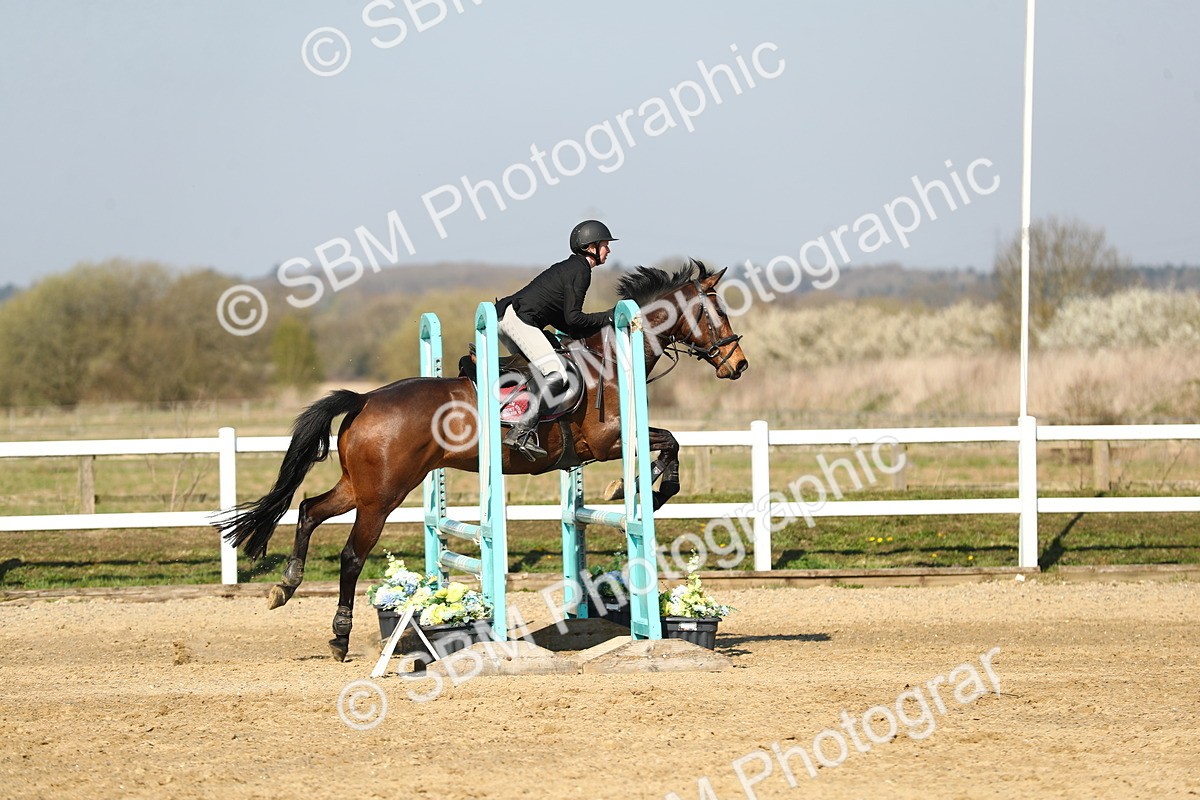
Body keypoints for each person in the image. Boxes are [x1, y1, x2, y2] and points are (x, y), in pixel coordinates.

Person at [494, 220, 617, 460]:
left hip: (508, 318)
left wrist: (589, 329)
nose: (608, 250)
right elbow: (574, 318)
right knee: (557, 372)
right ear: (591, 247)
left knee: (540, 370)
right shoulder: (581, 270)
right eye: (605, 245)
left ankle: (522, 421)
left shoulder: (573, 267)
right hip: (518, 320)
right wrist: (608, 317)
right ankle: (521, 431)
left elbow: (564, 321)